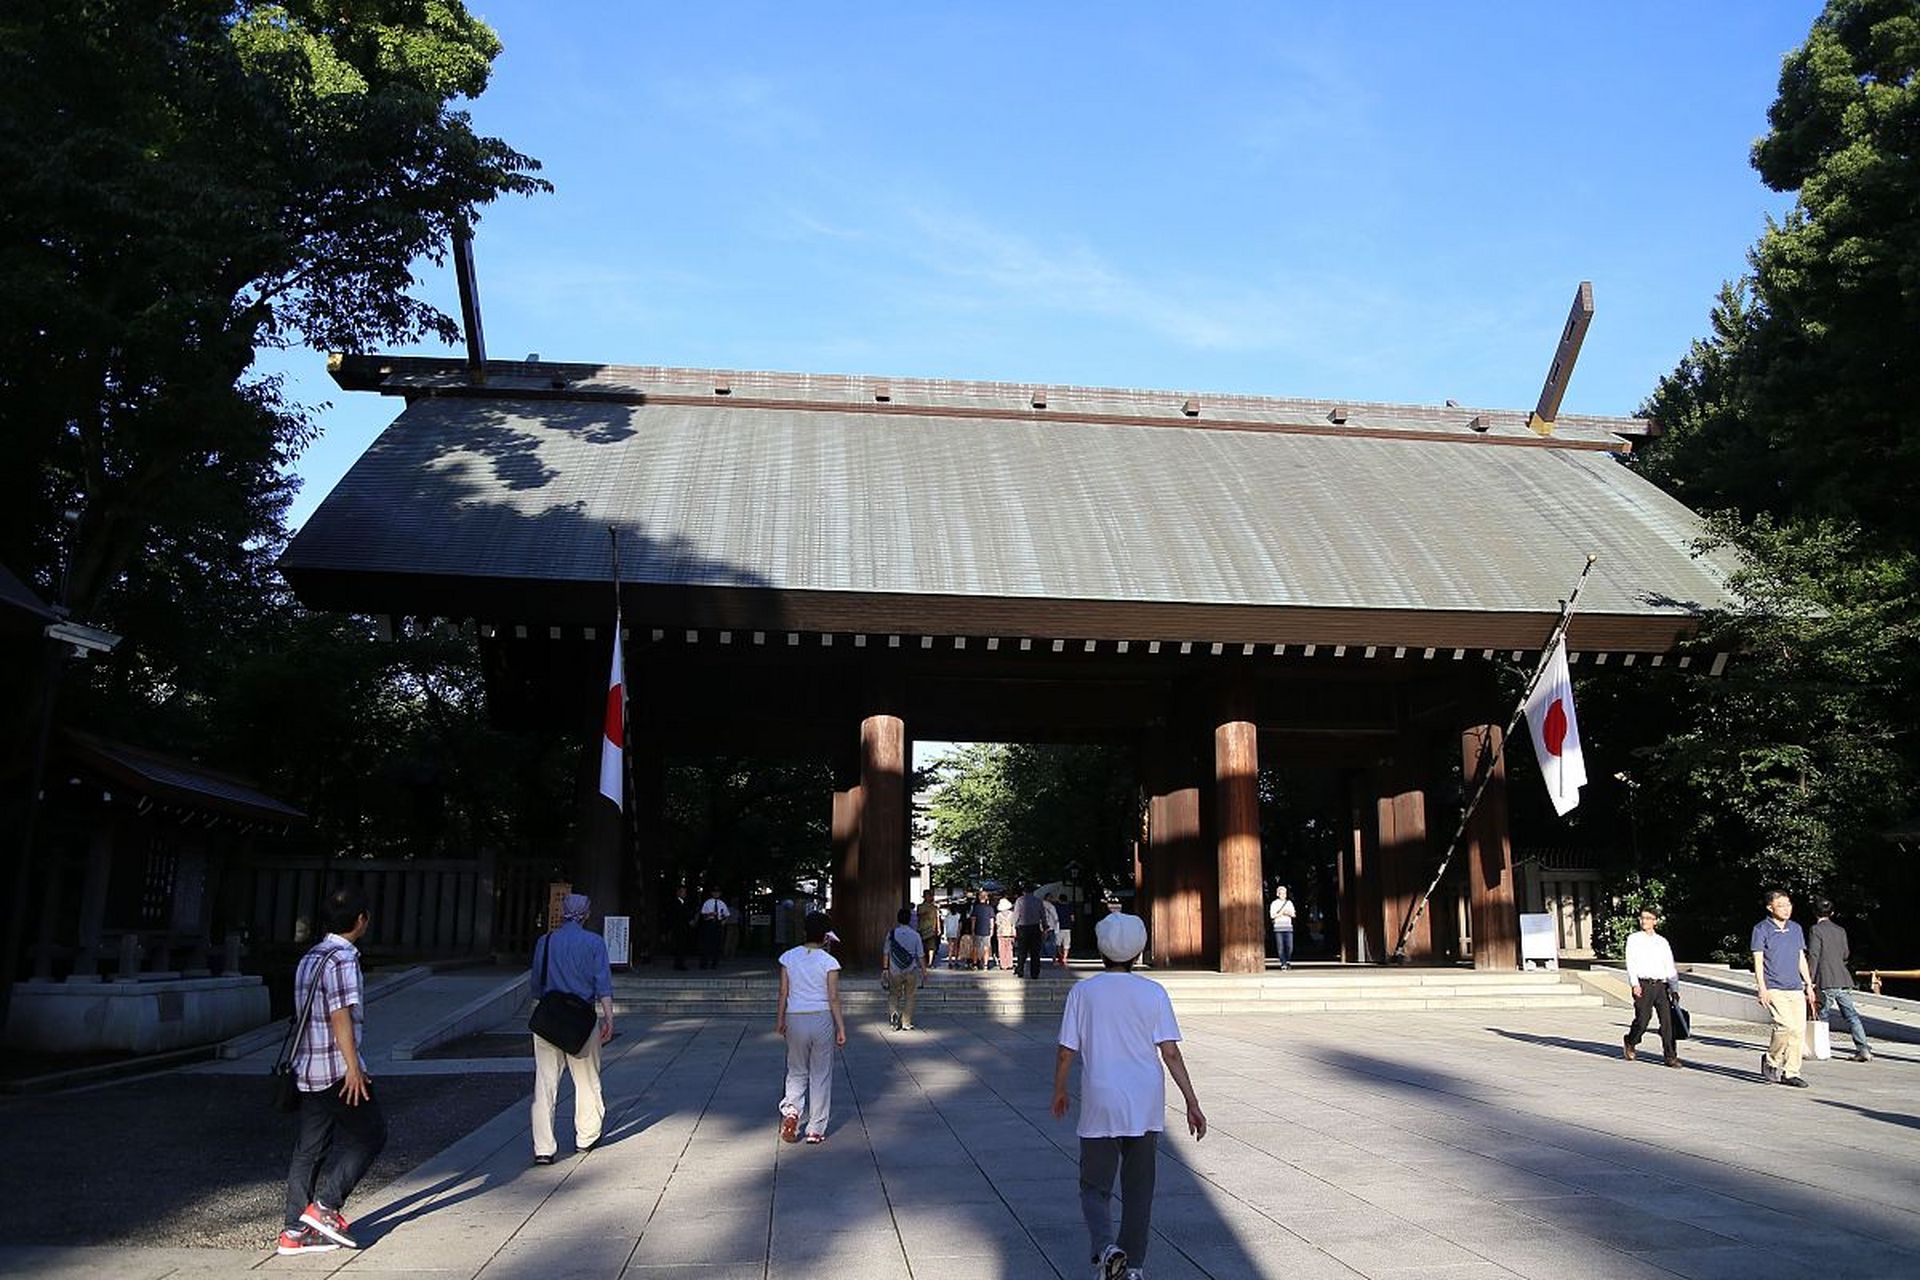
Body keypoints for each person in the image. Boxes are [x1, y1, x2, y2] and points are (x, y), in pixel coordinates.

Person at [1051, 912, 1206, 1280]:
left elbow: (1066, 1050)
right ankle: (1133, 1266)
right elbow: (1169, 1052)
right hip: (1145, 1096)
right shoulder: (1153, 992)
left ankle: (1107, 1247)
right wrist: (1191, 1101)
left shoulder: (1083, 992)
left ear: (1102, 951)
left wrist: (1059, 1088)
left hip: (1101, 1095)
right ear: (1138, 953)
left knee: (1094, 1185)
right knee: (1139, 1190)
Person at [278, 885, 386, 1256]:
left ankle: (294, 1230)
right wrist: (353, 1067)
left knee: (309, 1149)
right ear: (361, 920)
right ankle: (325, 1206)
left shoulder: (311, 956)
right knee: (372, 1134)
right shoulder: (343, 959)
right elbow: (340, 1013)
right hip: (337, 1068)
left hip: (308, 1065)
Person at [530, 893, 616, 1164]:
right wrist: (609, 1018)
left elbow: (536, 984)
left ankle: (543, 1147)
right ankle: (586, 1136)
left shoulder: (546, 941)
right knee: (587, 1080)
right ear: (586, 913)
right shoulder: (594, 942)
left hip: (549, 1017)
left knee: (544, 1085)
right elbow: (602, 983)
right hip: (581, 1018)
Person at [777, 912, 846, 1144]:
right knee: (821, 1072)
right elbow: (833, 997)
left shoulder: (788, 957)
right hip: (821, 1018)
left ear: (805, 931)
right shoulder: (829, 962)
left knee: (796, 1069)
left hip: (795, 1017)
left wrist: (780, 1019)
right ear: (826, 936)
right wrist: (841, 1027)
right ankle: (815, 1128)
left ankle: (792, 1110)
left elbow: (784, 992)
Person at [1751, 889, 1815, 1087]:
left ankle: (1791, 1071)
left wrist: (1808, 984)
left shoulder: (1795, 928)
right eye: (1781, 906)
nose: (1786, 909)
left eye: (1788, 905)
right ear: (1770, 908)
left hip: (1795, 986)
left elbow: (1800, 957)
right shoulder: (1761, 929)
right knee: (1784, 1026)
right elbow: (1758, 960)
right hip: (1774, 987)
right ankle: (1771, 1060)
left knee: (1798, 1030)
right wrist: (1762, 988)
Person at [1809, 900, 1873, 1063]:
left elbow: (1814, 955)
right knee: (1851, 1016)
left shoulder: (1816, 930)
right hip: (1843, 978)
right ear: (1832, 913)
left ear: (1815, 913)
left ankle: (1822, 1048)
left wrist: (1810, 979)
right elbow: (1845, 954)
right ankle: (1863, 1048)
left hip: (1826, 978)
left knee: (1822, 1015)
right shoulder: (1840, 930)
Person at [1621, 907, 1681, 1068]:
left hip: (1661, 985)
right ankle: (1631, 1040)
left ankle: (1670, 1055)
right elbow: (1631, 963)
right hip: (1643, 984)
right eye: (1642, 918)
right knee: (1643, 1019)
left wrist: (1674, 988)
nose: (1644, 921)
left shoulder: (1662, 942)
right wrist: (1634, 984)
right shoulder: (1634, 939)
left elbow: (1669, 965)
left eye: (1648, 918)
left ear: (1655, 921)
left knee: (1667, 1022)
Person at [882, 907, 924, 1030]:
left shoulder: (891, 934)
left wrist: (885, 969)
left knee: (893, 995)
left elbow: (886, 952)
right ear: (910, 920)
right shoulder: (915, 935)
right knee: (910, 995)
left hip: (894, 970)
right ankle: (906, 1022)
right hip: (911, 969)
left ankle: (894, 1016)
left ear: (898, 919)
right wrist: (924, 970)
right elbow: (920, 955)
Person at [1014, 884, 1047, 979]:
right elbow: (1043, 915)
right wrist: (1045, 926)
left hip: (1023, 928)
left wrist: (1014, 925)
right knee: (1035, 952)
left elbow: (1016, 914)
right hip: (1035, 927)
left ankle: (1020, 970)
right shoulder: (1038, 901)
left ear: (1024, 891)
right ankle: (1035, 973)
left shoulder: (1020, 900)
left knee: (1022, 951)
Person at [696, 886, 730, 970]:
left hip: (718, 924)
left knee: (717, 944)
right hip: (709, 923)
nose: (716, 894)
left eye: (718, 892)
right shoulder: (708, 902)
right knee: (706, 944)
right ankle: (704, 963)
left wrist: (723, 921)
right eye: (714, 892)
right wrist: (709, 914)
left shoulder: (722, 903)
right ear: (712, 893)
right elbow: (703, 914)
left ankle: (714, 963)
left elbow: (727, 914)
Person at [1268, 885, 1296, 970]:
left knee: (1289, 947)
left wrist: (1288, 913)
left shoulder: (1289, 903)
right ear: (1278, 894)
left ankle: (1287, 960)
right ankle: (1283, 963)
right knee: (1280, 947)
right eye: (1281, 893)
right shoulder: (1274, 903)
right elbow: (1272, 916)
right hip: (1278, 927)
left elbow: (1294, 914)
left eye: (1284, 893)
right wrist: (1281, 913)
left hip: (1288, 927)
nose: (1283, 895)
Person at [916, 889, 942, 967]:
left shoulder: (934, 907)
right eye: (928, 895)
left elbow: (937, 918)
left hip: (932, 929)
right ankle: (924, 962)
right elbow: (919, 915)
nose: (929, 897)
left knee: (931, 946)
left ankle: (930, 962)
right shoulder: (920, 907)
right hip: (922, 928)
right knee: (923, 947)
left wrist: (938, 928)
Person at [973, 890, 996, 970]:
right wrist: (992, 929)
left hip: (977, 929)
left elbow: (973, 919)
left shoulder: (976, 907)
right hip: (987, 930)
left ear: (979, 898)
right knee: (986, 947)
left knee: (976, 947)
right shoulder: (990, 908)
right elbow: (992, 920)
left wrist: (972, 929)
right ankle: (985, 964)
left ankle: (975, 963)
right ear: (986, 898)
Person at [996, 894, 1016, 972]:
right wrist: (1014, 932)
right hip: (1010, 933)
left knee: (1001, 949)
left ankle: (1003, 964)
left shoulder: (999, 915)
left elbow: (998, 924)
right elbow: (1013, 924)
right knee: (1009, 949)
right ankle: (1009, 964)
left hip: (1001, 933)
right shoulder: (1012, 914)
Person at [1055, 895, 1076, 966]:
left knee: (1058, 944)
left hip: (1059, 927)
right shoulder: (1070, 907)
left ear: (1059, 899)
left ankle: (1060, 957)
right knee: (1066, 944)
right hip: (1068, 927)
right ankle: (1065, 957)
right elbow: (1072, 918)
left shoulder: (1057, 907)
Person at [1042, 893, 1061, 963]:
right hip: (1050, 926)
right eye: (1051, 898)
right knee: (1053, 943)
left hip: (1041, 926)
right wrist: (1057, 927)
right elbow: (1055, 917)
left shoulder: (1039, 904)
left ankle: (1040, 957)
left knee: (1041, 943)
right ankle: (1053, 958)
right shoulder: (1051, 906)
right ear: (1048, 898)